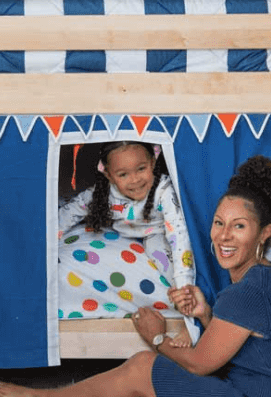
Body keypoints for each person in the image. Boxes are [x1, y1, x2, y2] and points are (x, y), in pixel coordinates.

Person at [0, 155, 271, 397]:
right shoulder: (264, 278)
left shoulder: (249, 290)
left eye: (239, 226)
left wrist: (156, 337)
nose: (223, 236)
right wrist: (205, 316)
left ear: (265, 233)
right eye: (219, 223)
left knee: (146, 368)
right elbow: (247, 348)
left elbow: (202, 363)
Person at [57, 141, 195, 335]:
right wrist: (46, 242)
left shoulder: (164, 190)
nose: (135, 179)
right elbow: (70, 213)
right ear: (108, 174)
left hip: (156, 233)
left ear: (153, 162)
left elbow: (178, 235)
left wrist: (184, 285)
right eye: (123, 174)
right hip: (120, 234)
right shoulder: (102, 193)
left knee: (170, 271)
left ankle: (191, 319)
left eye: (141, 169)